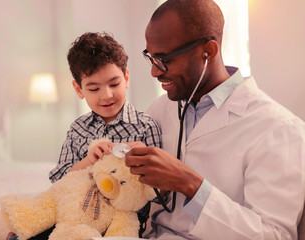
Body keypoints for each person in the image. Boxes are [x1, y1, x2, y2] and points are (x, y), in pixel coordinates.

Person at [125, 0, 305, 239]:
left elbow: (274, 236)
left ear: (208, 51)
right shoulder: (160, 109)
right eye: (151, 57)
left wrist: (190, 184)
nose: (154, 72)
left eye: (165, 60)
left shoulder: (279, 129)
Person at [6, 32, 161, 240]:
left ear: (126, 78)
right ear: (79, 89)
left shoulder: (145, 126)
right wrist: (88, 161)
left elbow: (158, 192)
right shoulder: (78, 129)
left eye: (114, 84)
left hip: (121, 221)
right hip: (76, 216)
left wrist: (140, 158)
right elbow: (61, 180)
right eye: (94, 88)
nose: (106, 95)